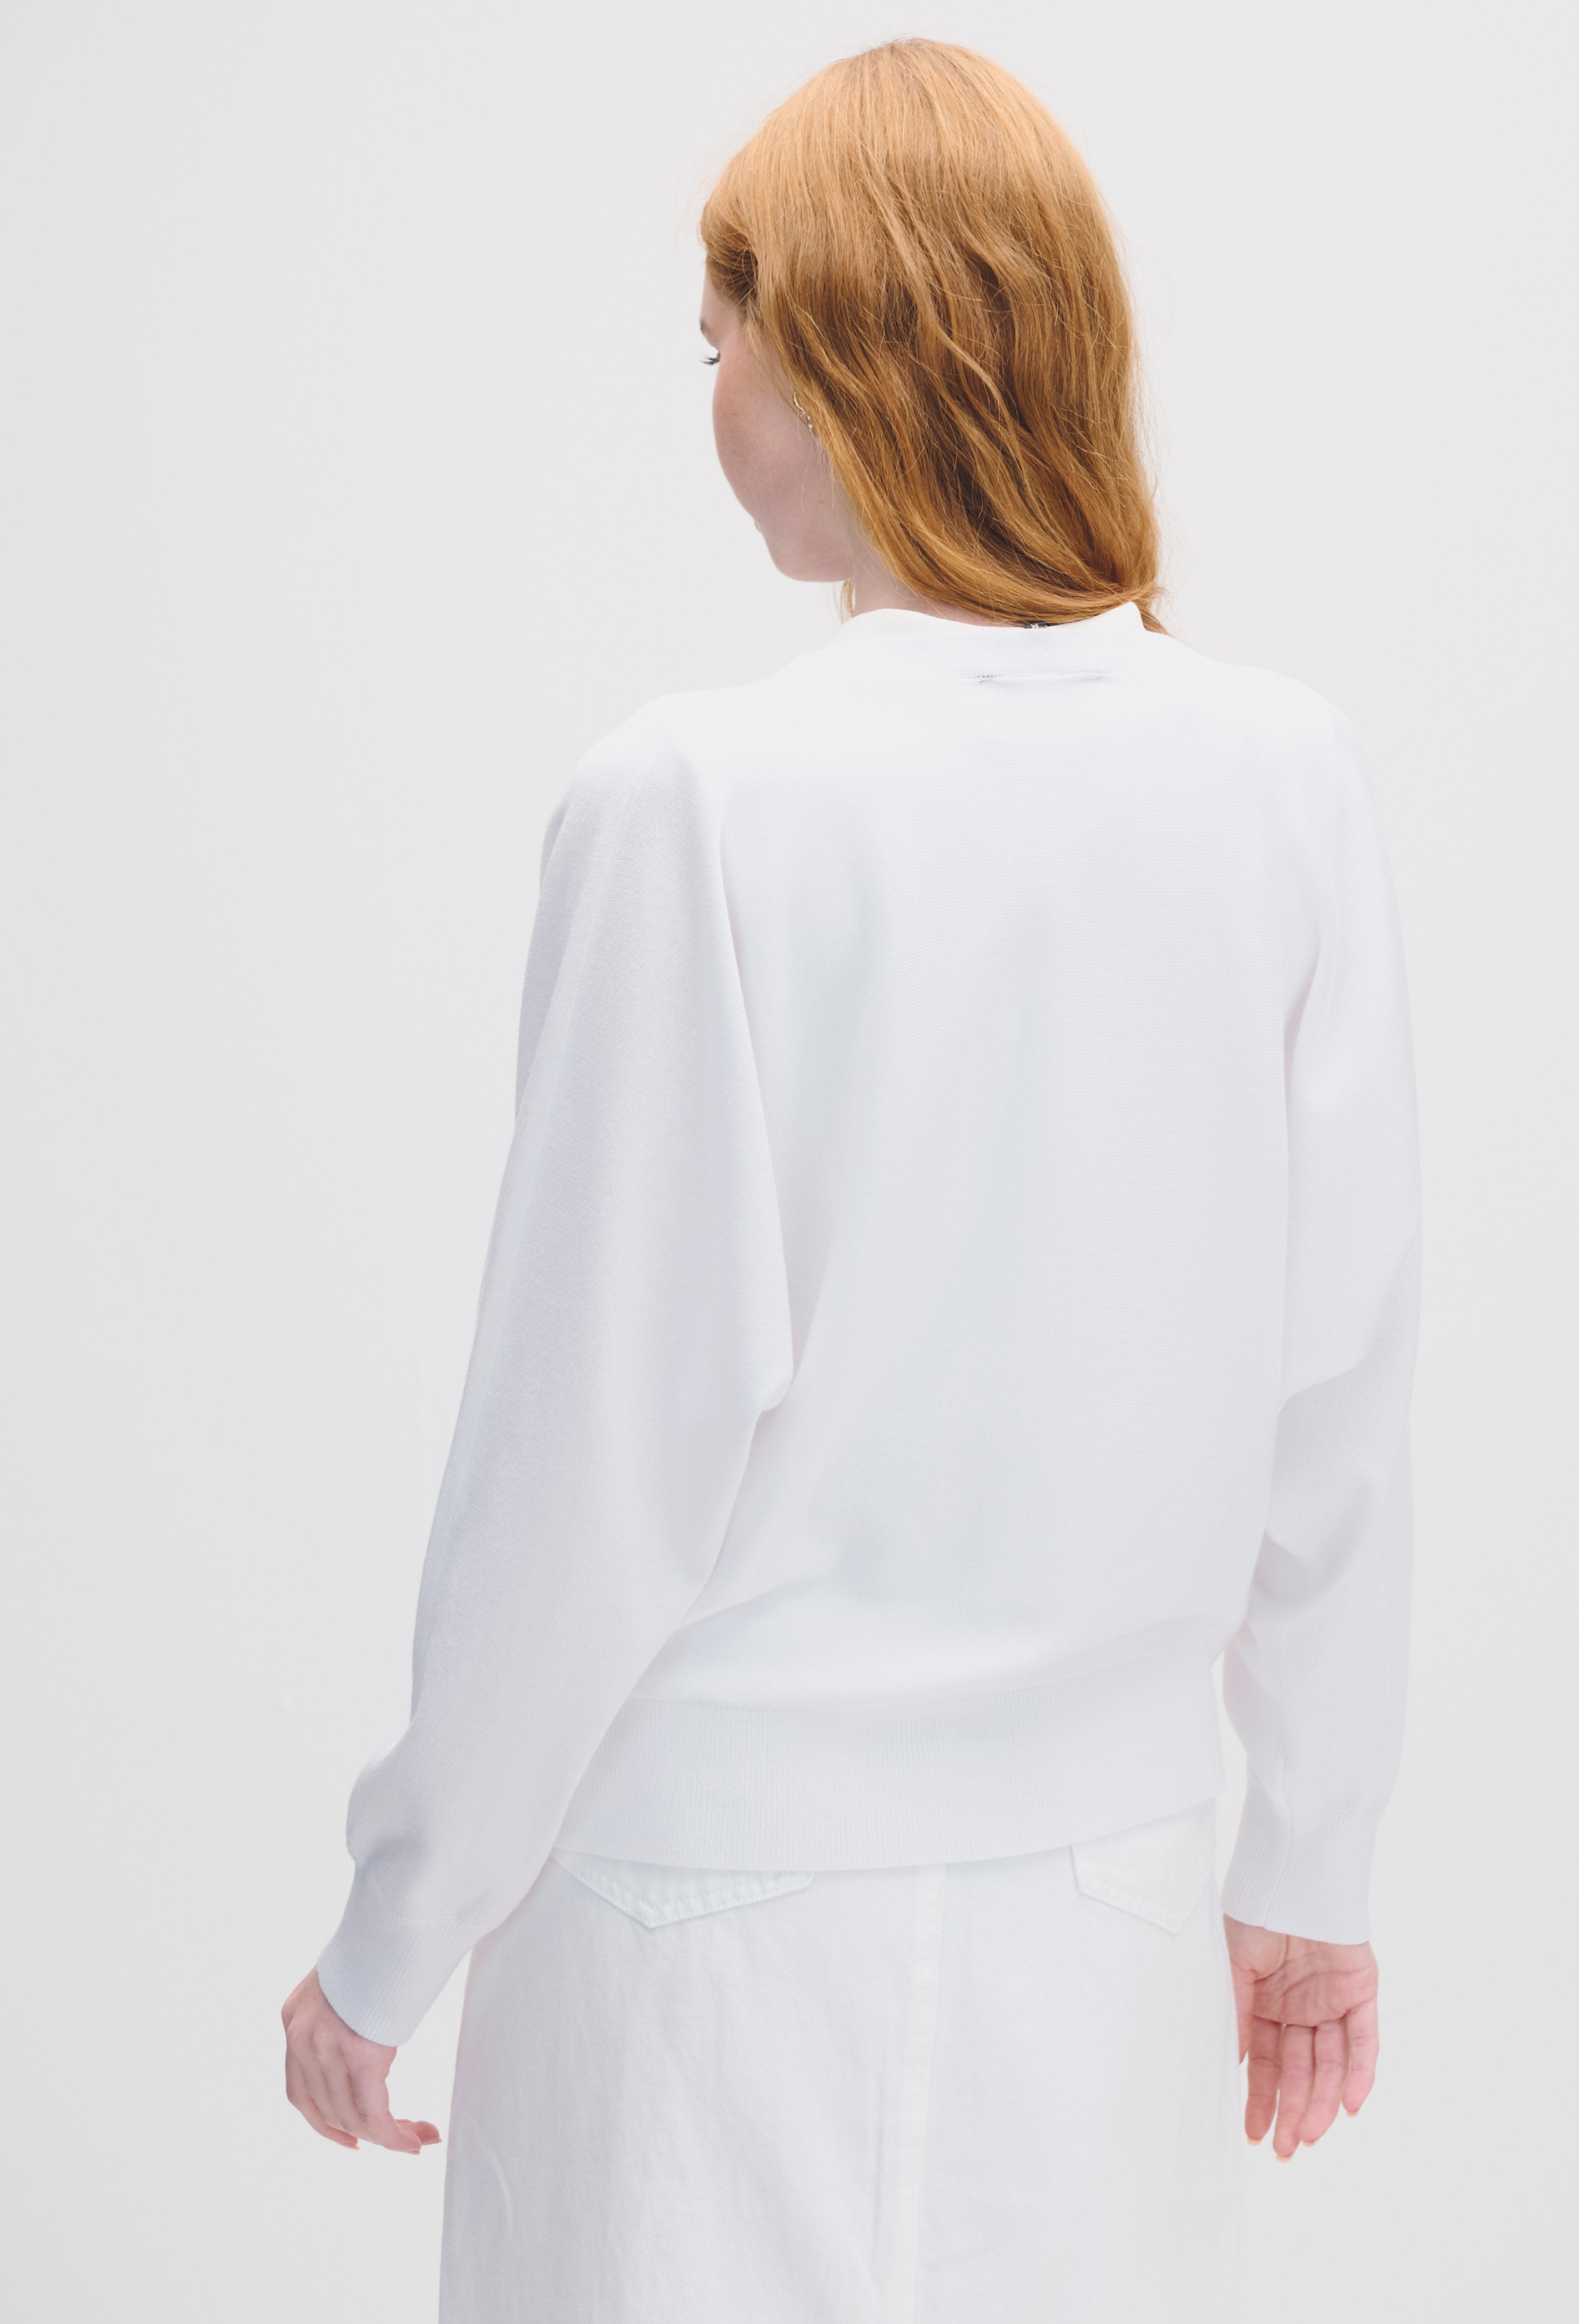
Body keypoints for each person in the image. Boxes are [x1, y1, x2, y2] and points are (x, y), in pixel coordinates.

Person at [281, 38, 1420, 2322]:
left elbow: (591, 1457)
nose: (709, 405)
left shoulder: (696, 803)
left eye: (720, 346)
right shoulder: (1279, 779)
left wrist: (395, 1925)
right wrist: (1306, 1861)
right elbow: (1339, 1397)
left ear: (841, 361)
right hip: (1099, 1923)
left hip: (696, 1929)